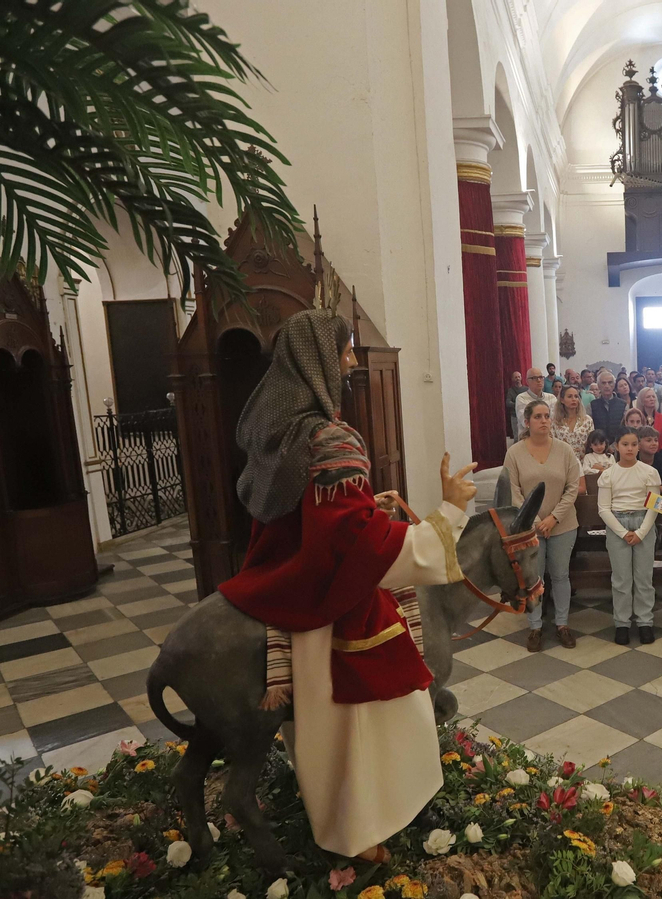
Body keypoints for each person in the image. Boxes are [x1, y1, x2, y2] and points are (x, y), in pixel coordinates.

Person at [219, 308, 481, 861]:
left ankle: (344, 817)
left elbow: (314, 524)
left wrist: (368, 507)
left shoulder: (278, 429)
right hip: (328, 605)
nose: (351, 363)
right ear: (316, 359)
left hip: (283, 587)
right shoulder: (331, 438)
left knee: (321, 733)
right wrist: (449, 515)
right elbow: (362, 553)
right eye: (344, 351)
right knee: (370, 717)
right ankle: (358, 833)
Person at [503, 400, 582, 652]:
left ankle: (562, 624)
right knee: (533, 578)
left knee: (560, 575)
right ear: (527, 422)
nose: (544, 420)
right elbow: (513, 491)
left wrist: (553, 518)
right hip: (529, 528)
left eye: (547, 416)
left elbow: (572, 488)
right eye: (538, 416)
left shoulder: (564, 450)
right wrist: (535, 520)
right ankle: (535, 626)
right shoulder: (514, 453)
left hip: (563, 524)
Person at [597, 428, 662, 645]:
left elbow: (654, 505)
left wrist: (641, 532)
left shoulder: (649, 472)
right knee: (622, 579)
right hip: (618, 525)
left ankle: (645, 622)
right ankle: (622, 623)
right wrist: (624, 533)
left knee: (644, 578)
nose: (630, 448)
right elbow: (603, 509)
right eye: (625, 444)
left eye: (634, 444)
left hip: (643, 522)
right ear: (616, 446)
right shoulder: (608, 474)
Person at [551, 384, 595, 459]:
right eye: (570, 396)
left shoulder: (587, 420)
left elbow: (592, 443)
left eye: (576, 396)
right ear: (562, 400)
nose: (574, 399)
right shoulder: (555, 421)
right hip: (562, 462)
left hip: (584, 463)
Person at [515, 368, 557, 432]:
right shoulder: (521, 398)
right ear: (527, 381)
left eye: (541, 377)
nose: (539, 380)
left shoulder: (552, 398)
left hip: (549, 439)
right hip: (528, 440)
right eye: (534, 378)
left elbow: (555, 421)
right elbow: (526, 422)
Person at [593, 377, 631, 442]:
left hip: (619, 444)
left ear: (614, 385)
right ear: (599, 386)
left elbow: (626, 428)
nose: (607, 386)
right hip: (598, 445)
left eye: (610, 382)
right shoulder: (592, 405)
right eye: (603, 383)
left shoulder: (623, 405)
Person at [505, 370, 525, 438]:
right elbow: (508, 402)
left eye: (519, 377)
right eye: (516, 377)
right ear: (513, 379)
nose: (517, 379)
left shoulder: (526, 389)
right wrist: (518, 404)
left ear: (521, 378)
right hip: (514, 416)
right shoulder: (510, 390)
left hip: (525, 415)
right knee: (516, 437)